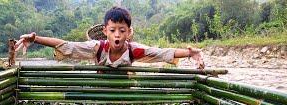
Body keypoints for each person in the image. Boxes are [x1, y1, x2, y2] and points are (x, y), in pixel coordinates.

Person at [15, 6, 205, 69]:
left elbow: (163, 53)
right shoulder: (97, 48)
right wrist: (36, 38)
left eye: (122, 30)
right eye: (113, 30)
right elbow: (68, 46)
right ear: (105, 31)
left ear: (129, 33)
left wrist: (190, 53)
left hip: (124, 91)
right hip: (101, 89)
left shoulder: (134, 50)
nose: (117, 35)